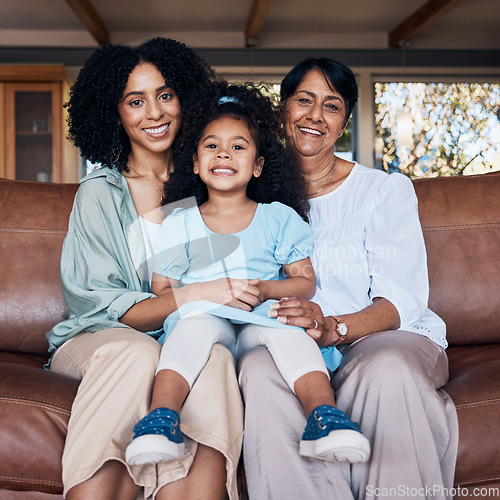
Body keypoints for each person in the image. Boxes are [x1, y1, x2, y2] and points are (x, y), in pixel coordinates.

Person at [238, 58, 459, 500]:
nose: (315, 116)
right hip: (291, 343)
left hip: (381, 335)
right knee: (259, 370)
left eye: (331, 105)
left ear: (343, 123)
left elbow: (401, 299)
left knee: (385, 369)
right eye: (304, 100)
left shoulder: (382, 191)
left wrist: (334, 328)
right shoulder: (254, 194)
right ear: (283, 110)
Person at [124, 83, 371, 469]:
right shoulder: (179, 222)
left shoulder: (277, 218)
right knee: (192, 326)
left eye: (238, 146)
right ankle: (161, 419)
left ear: (257, 165)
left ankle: (325, 418)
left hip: (262, 317)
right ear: (194, 162)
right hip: (206, 316)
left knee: (292, 328)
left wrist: (264, 290)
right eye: (212, 146)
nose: (224, 153)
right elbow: (160, 290)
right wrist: (206, 294)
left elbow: (305, 281)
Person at [46, 38, 248, 500]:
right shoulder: (100, 193)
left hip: (187, 336)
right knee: (137, 354)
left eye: (165, 95)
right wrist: (201, 293)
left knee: (213, 359)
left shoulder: (212, 182)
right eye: (135, 101)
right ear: (113, 112)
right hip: (100, 338)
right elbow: (103, 305)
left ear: (185, 98)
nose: (154, 113)